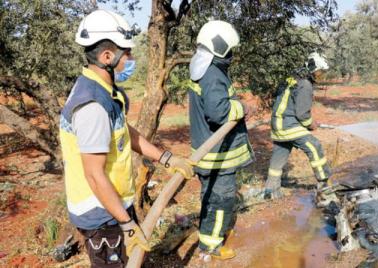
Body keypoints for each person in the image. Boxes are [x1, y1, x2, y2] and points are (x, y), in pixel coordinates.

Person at [59, 10, 194, 267]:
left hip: (114, 205)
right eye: (127, 53)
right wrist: (127, 224)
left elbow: (123, 131)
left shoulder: (107, 92)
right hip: (101, 216)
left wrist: (167, 158)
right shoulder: (92, 106)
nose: (131, 59)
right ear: (107, 56)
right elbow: (94, 176)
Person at [188, 20, 254, 260]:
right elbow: (218, 112)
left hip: (207, 152)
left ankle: (209, 235)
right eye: (230, 50)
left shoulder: (200, 68)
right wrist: (241, 106)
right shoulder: (213, 74)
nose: (232, 55)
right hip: (218, 156)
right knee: (222, 199)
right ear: (220, 47)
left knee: (209, 196)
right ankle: (211, 245)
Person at [264, 52, 337, 207]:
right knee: (314, 146)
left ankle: (271, 190)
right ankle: (324, 185)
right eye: (319, 72)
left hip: (277, 124)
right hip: (288, 125)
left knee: (280, 154)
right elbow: (302, 114)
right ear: (312, 68)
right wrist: (311, 124)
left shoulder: (293, 78)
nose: (320, 76)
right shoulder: (305, 84)